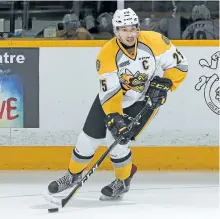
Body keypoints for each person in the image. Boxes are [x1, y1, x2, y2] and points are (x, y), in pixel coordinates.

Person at [47, 8, 188, 201]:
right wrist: (114, 117)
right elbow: (110, 91)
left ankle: (122, 181)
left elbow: (180, 65)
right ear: (115, 31)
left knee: (118, 143)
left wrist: (166, 82)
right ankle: (72, 175)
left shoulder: (155, 41)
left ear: (139, 28)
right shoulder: (107, 54)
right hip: (112, 99)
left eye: (133, 28)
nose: (129, 34)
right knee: (87, 138)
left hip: (144, 100)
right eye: (123, 29)